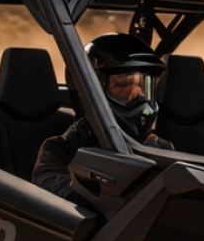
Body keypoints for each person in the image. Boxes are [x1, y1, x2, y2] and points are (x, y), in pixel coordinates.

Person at [33, 33, 172, 198]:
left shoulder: (162, 149)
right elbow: (58, 193)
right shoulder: (59, 150)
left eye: (144, 84)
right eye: (123, 83)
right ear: (89, 90)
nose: (138, 94)